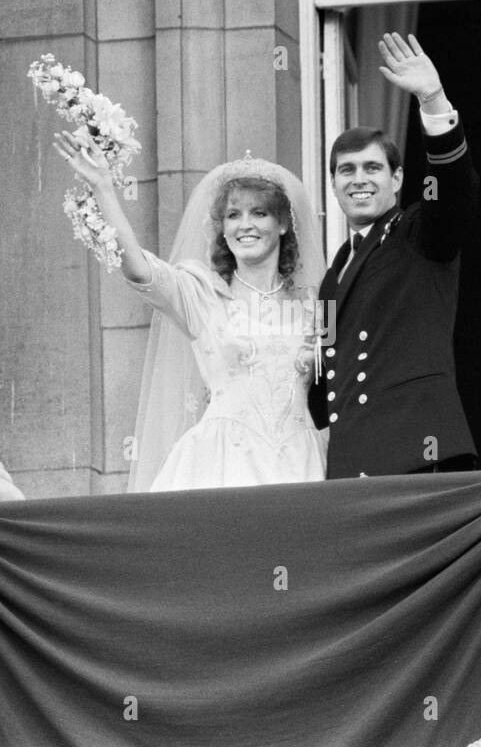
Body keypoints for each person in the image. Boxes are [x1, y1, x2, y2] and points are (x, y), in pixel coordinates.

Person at [54, 131, 328, 491]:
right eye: (233, 215)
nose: (244, 224)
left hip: (301, 461)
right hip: (221, 462)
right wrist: (104, 188)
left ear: (282, 224)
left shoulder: (322, 304)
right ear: (223, 230)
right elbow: (138, 268)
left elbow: (340, 383)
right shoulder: (200, 293)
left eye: (259, 213)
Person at [308, 32, 480, 478]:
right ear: (333, 184)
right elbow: (324, 382)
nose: (358, 179)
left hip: (418, 450)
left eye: (372, 168)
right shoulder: (331, 277)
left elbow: (456, 191)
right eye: (346, 170)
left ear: (398, 178)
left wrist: (433, 99)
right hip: (352, 464)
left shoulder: (418, 232)